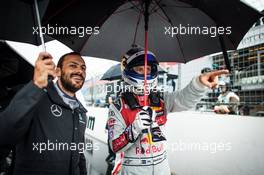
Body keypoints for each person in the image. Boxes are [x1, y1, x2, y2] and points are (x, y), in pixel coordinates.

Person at [106, 46, 229, 175]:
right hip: (133, 170)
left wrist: (199, 84)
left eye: (148, 69)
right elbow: (114, 147)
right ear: (129, 71)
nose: (145, 74)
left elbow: (183, 99)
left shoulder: (160, 99)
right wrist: (134, 129)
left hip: (162, 168)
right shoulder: (118, 106)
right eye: (139, 69)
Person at [0, 52, 87, 175]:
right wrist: (36, 85)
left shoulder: (81, 112)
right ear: (57, 72)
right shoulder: (35, 97)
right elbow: (4, 134)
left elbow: (79, 153)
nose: (80, 71)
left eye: (83, 68)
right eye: (73, 66)